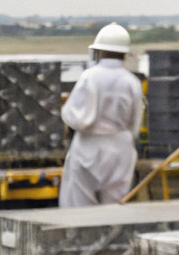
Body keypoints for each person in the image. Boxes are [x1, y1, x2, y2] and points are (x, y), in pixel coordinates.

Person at [58, 23, 143, 208]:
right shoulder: (132, 82)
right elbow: (135, 123)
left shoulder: (89, 77)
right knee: (114, 207)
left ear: (100, 51)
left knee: (80, 205)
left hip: (89, 145)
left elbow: (73, 115)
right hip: (121, 148)